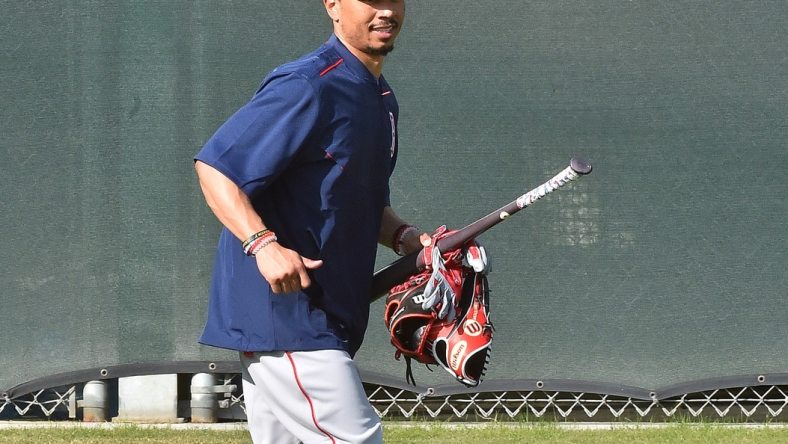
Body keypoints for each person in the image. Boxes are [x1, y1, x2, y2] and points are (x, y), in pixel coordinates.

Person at [194, 1, 424, 442]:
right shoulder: (308, 84)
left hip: (324, 312)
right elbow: (216, 168)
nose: (386, 11)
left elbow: (357, 198)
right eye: (370, 0)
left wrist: (403, 236)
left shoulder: (381, 98)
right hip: (289, 313)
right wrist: (262, 243)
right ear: (333, 5)